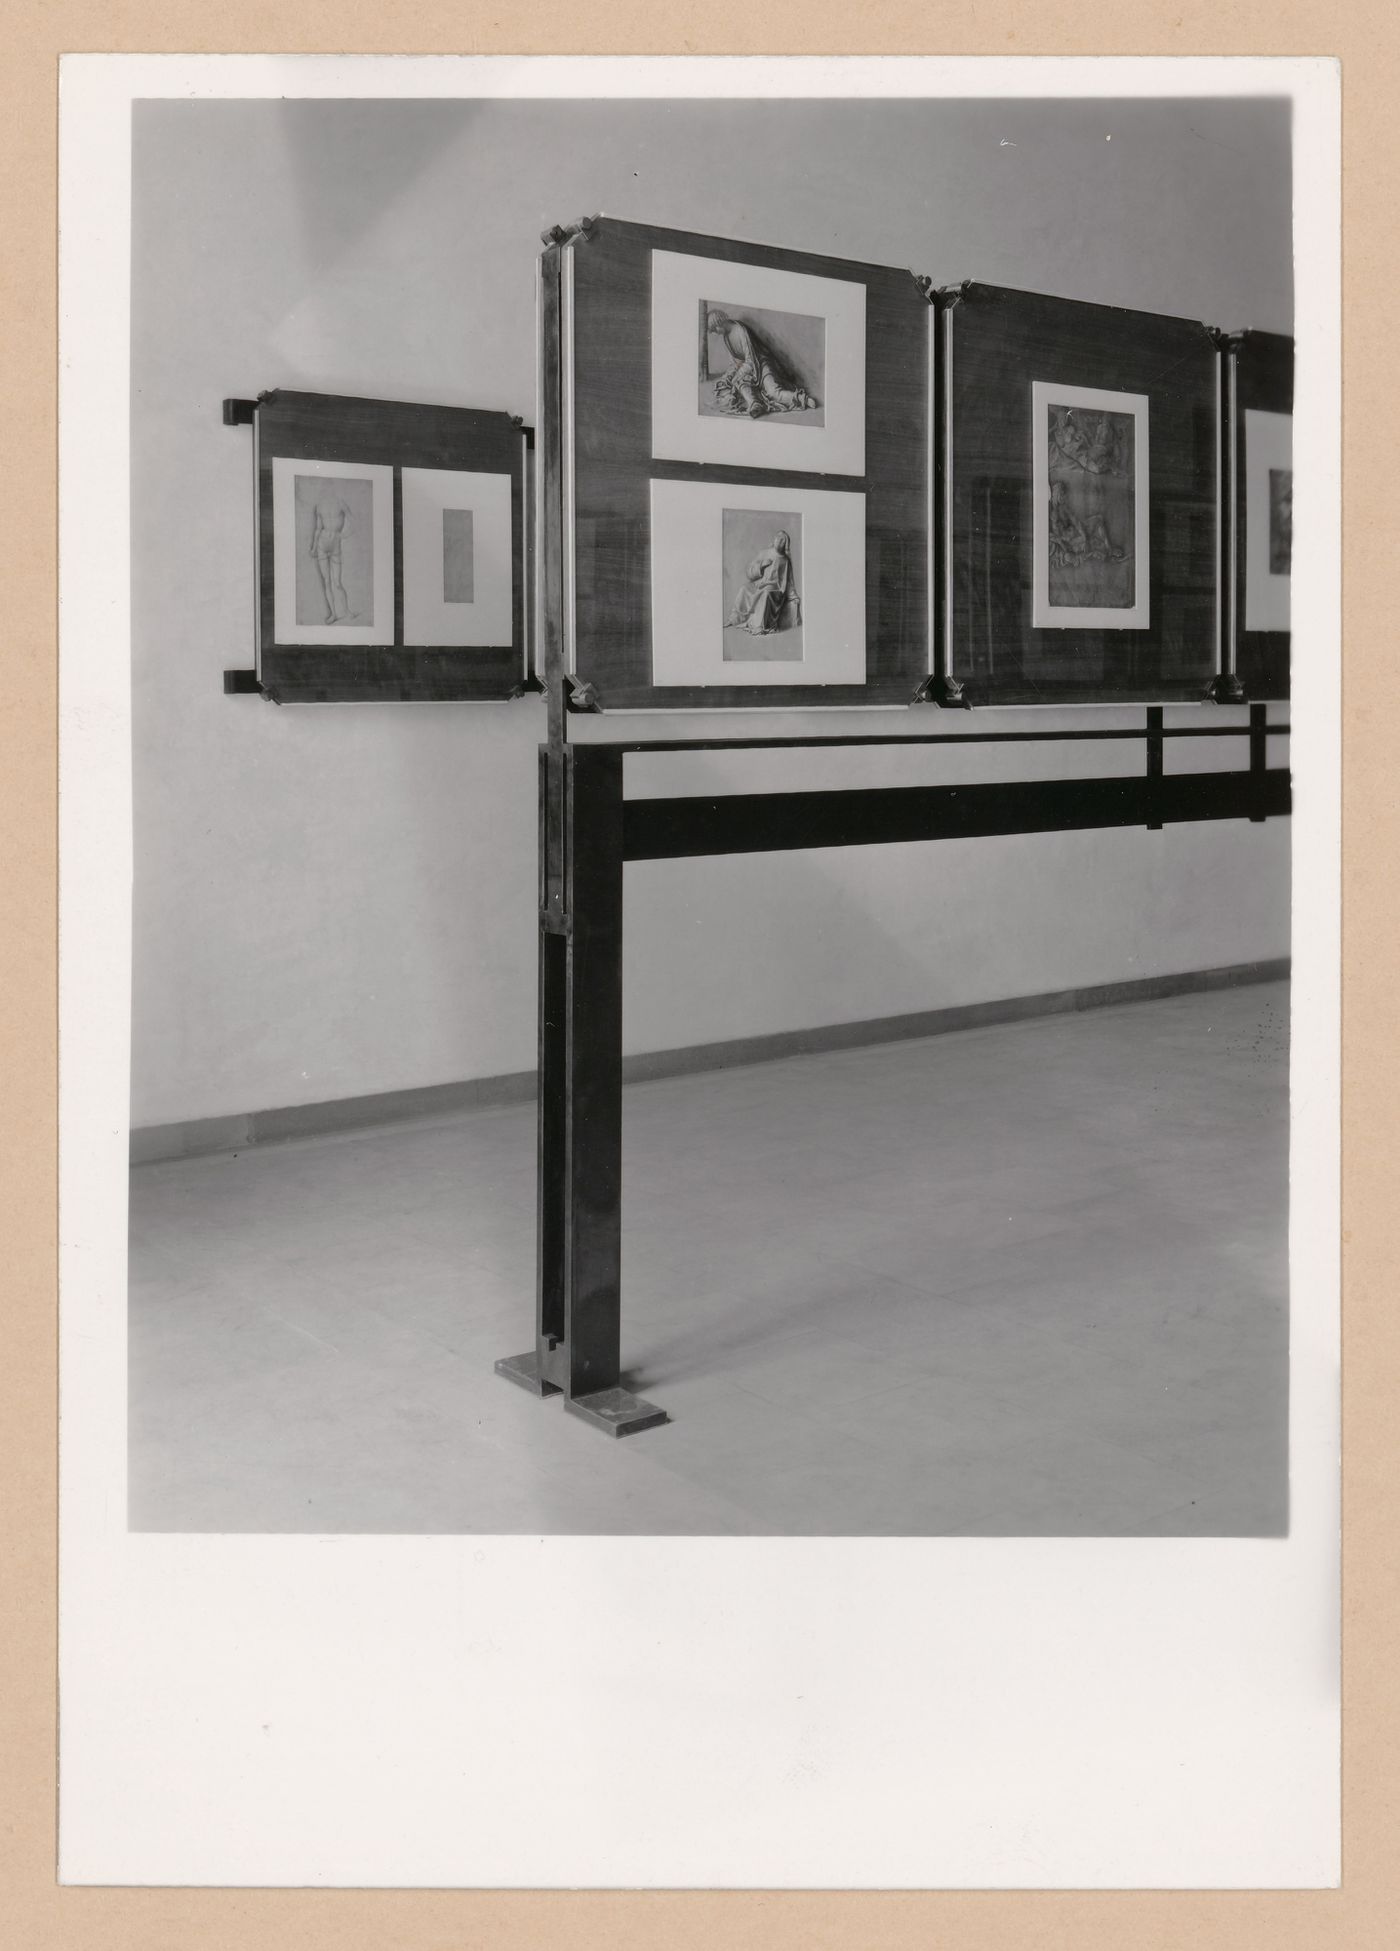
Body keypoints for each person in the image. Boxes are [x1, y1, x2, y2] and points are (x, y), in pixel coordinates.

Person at [705, 310, 819, 419]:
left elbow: (750, 360)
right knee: (740, 385)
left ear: (719, 322)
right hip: (749, 369)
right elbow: (737, 363)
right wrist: (730, 376)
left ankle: (802, 398)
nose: (715, 333)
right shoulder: (726, 337)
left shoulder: (740, 331)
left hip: (761, 364)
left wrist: (737, 375)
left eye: (714, 329)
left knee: (773, 393)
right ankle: (755, 405)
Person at [727, 531, 801, 636]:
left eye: (783, 541)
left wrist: (793, 596)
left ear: (785, 545)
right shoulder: (764, 553)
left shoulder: (785, 560)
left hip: (774, 588)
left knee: (766, 594)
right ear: (774, 540)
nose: (779, 542)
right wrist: (761, 565)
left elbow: (789, 581)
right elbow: (750, 571)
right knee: (744, 588)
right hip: (760, 584)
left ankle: (758, 626)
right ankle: (735, 619)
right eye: (778, 539)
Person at [309, 487, 354, 623]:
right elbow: (318, 529)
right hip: (322, 544)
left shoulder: (341, 503)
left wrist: (344, 535)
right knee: (327, 582)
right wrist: (313, 547)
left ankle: (347, 611)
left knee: (337, 582)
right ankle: (333, 614)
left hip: (335, 544)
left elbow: (354, 521)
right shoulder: (319, 505)